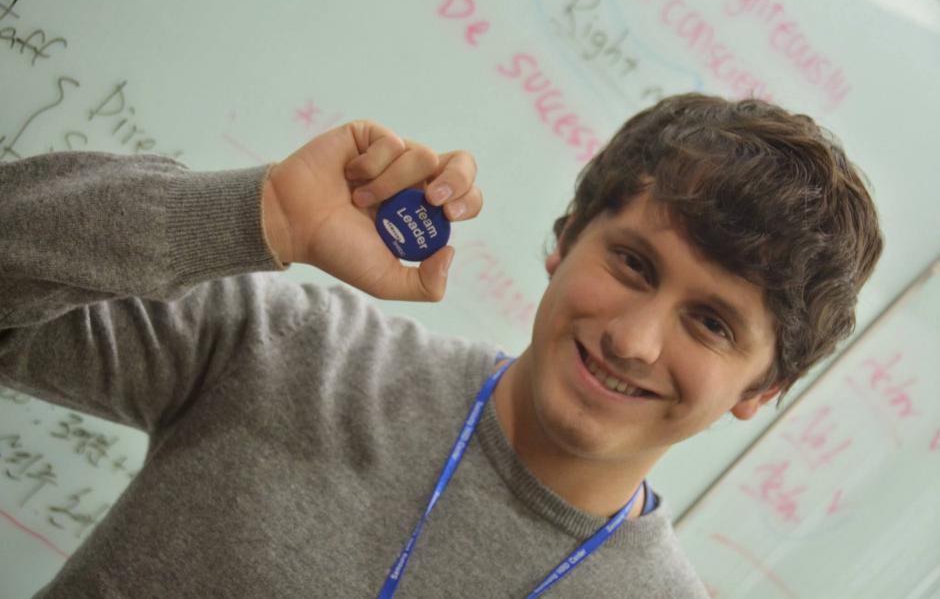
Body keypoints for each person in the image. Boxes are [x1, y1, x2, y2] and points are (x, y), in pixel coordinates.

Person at [0, 94, 882, 598]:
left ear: (763, 390)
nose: (635, 339)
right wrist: (254, 216)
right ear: (565, 237)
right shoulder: (293, 352)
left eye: (713, 323)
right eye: (633, 263)